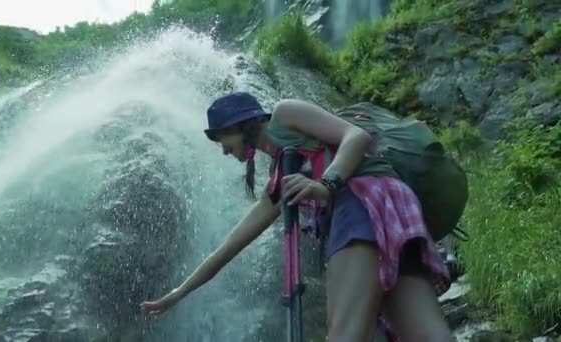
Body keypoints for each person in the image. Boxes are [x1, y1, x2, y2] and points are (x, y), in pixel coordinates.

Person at [140, 92, 453, 342]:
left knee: (345, 333)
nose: (224, 151)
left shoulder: (285, 113)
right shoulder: (280, 181)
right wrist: (179, 293)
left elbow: (355, 136)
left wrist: (325, 185)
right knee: (427, 335)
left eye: (222, 139)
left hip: (359, 204)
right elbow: (227, 248)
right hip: (392, 213)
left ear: (238, 124)